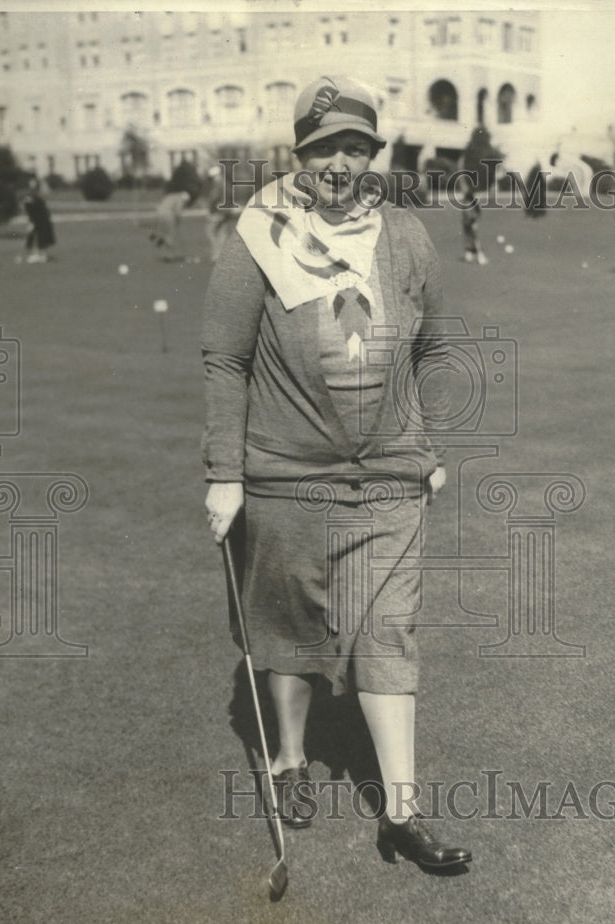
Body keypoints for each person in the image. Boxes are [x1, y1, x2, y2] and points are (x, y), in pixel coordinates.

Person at [201, 75, 472, 872]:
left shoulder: (405, 236)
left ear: (373, 156)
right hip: (285, 474)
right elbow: (225, 358)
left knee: (388, 633)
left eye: (357, 147)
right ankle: (288, 762)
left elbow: (431, 347)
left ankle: (402, 811)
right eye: (325, 148)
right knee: (287, 634)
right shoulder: (255, 236)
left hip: (388, 476)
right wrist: (226, 473)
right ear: (300, 156)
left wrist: (425, 448)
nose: (341, 163)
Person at [150, 188, 193, 261]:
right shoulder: (180, 199)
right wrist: (178, 222)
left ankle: (158, 240)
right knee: (170, 235)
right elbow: (178, 212)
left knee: (163, 232)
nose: (185, 203)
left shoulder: (171, 195)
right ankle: (169, 255)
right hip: (167, 215)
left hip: (158, 213)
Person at [22, 181, 56, 263]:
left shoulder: (37, 200)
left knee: (40, 238)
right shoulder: (30, 199)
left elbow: (42, 212)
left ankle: (40, 255)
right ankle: (36, 255)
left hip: (41, 221)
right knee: (34, 237)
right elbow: (29, 211)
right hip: (37, 221)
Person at [458, 174, 487, 264]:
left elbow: (476, 212)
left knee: (475, 238)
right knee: (469, 237)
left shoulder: (470, 199)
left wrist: (474, 220)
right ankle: (470, 253)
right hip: (467, 221)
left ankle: (480, 255)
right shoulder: (467, 199)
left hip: (471, 220)